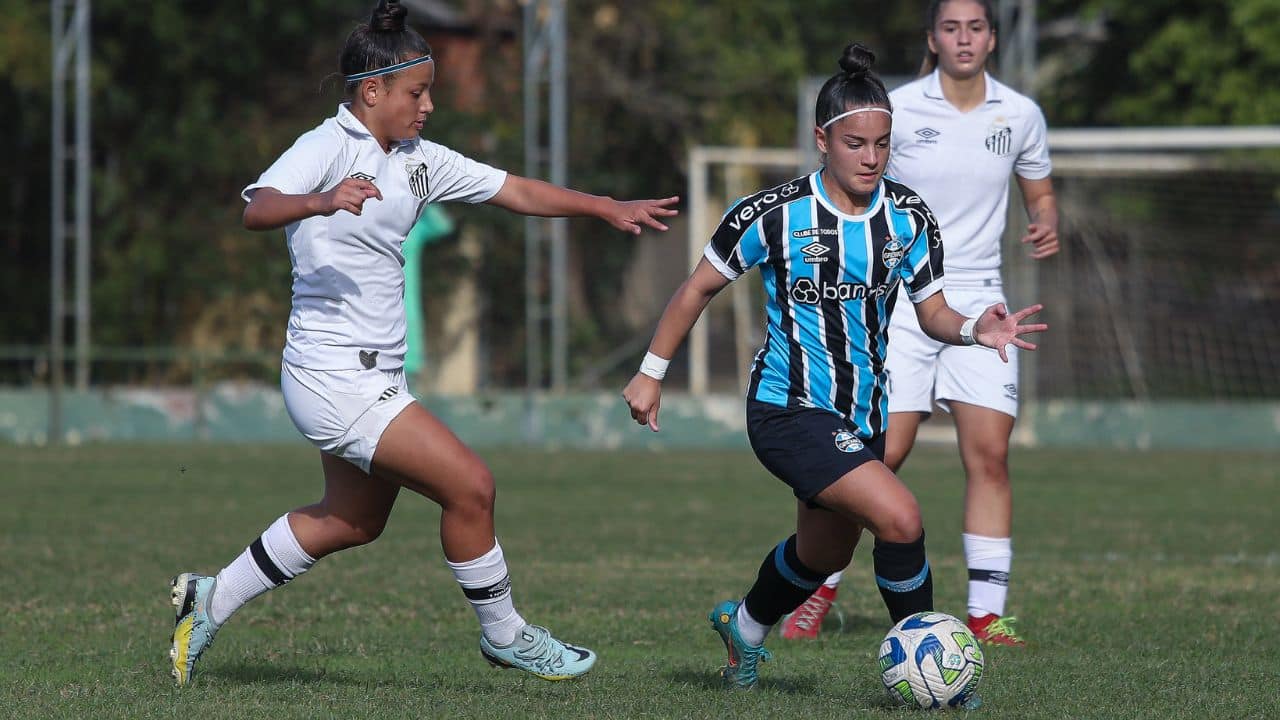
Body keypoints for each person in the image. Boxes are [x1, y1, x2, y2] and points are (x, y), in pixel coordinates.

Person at [168, 0, 678, 686]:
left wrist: (603, 206)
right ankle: (507, 636)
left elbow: (514, 190)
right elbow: (257, 206)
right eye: (417, 92)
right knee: (471, 487)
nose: (428, 105)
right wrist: (319, 201)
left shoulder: (416, 160)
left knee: (352, 520)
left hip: (371, 377)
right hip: (334, 377)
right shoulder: (327, 147)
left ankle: (210, 599)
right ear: (371, 93)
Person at [621, 42, 1046, 690]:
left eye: (881, 143)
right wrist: (652, 372)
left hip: (863, 411)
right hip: (786, 407)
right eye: (856, 143)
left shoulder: (908, 218)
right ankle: (932, 677)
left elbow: (931, 312)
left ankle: (746, 630)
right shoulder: (772, 214)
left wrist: (971, 329)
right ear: (823, 139)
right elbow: (697, 288)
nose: (871, 157)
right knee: (901, 518)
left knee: (824, 552)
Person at [779, 0, 1058, 647]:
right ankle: (814, 592)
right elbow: (848, 185)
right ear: (933, 37)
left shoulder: (1020, 115)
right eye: (952, 26)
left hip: (983, 302)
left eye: (977, 26)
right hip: (901, 301)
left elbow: (1040, 191)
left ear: (992, 38)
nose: (964, 38)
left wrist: (1045, 220)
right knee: (877, 456)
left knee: (989, 455)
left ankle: (988, 616)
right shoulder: (897, 108)